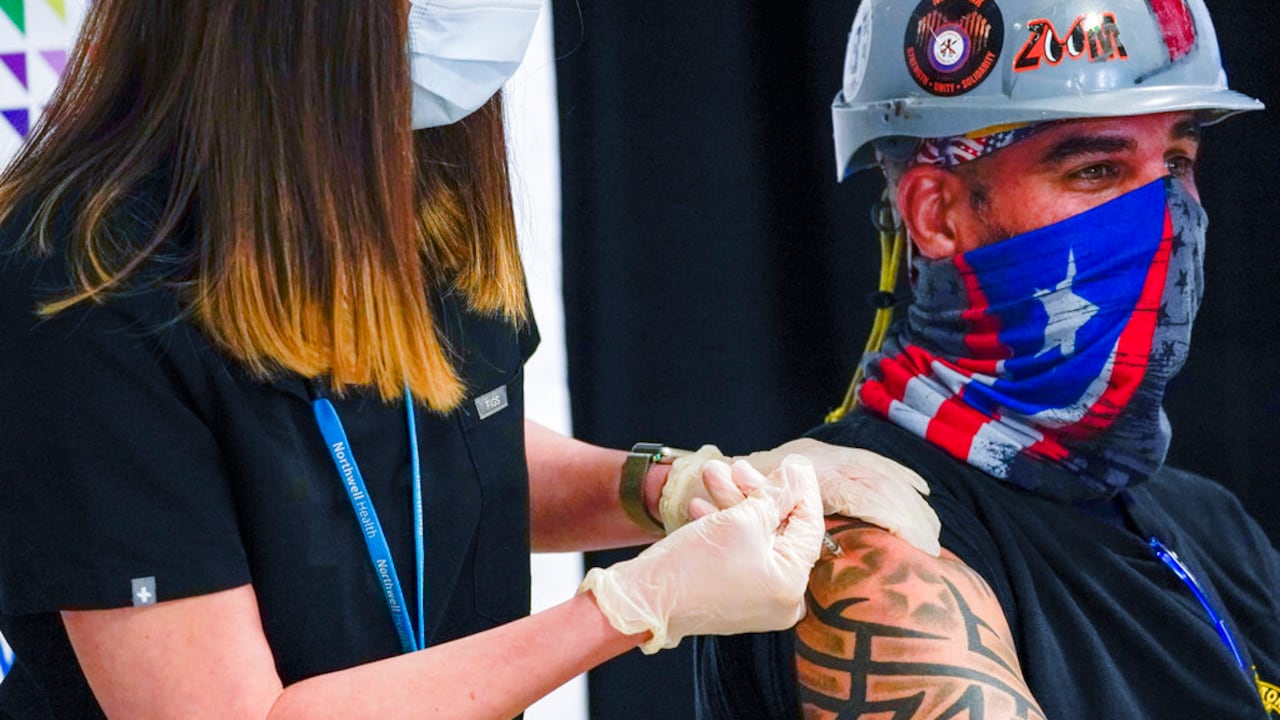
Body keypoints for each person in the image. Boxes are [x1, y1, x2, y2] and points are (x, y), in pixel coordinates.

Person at [0, 2, 945, 718]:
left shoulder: (420, 186)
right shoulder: (81, 287)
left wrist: (665, 487)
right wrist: (625, 608)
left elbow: (458, 445)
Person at [693, 0, 1280, 718]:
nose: (1168, 218)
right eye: (1097, 170)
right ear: (936, 215)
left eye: (1179, 162)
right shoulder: (849, 538)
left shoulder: (1211, 522)